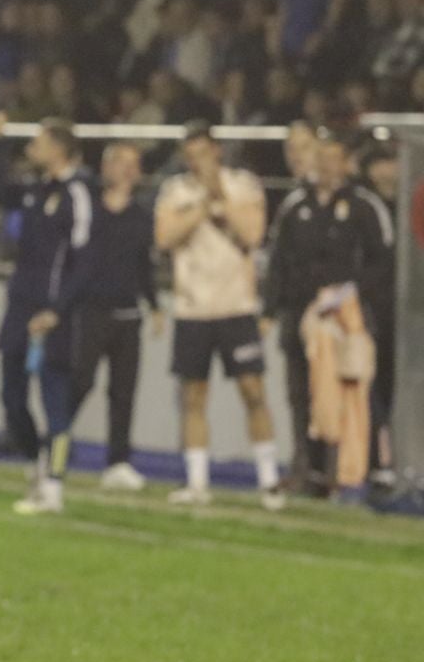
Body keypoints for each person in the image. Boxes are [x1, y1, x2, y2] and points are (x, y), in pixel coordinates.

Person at [154, 123, 284, 509]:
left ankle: (269, 481)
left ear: (217, 151)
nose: (197, 160)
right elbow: (165, 238)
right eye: (190, 154)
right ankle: (197, 482)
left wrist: (220, 200)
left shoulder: (244, 185)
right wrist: (200, 208)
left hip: (236, 307)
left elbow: (252, 234)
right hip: (192, 309)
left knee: (253, 391)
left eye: (203, 152)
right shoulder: (175, 191)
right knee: (193, 396)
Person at [262, 130, 394, 495]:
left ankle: (370, 469)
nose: (326, 166)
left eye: (333, 158)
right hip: (302, 315)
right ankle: (311, 470)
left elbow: (383, 261)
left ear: (347, 163)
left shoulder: (364, 205)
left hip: (350, 318)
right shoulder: (296, 204)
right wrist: (271, 308)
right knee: (302, 392)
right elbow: (278, 260)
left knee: (358, 391)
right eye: (321, 158)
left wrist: (350, 294)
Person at [0, 114, 94, 517]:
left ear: (58, 149)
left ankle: (54, 487)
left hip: (52, 315)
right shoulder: (33, 190)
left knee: (55, 403)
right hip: (19, 308)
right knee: (11, 400)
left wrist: (57, 310)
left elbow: (83, 263)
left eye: (39, 141)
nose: (32, 148)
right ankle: (35, 466)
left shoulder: (78, 194)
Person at [65, 142, 160, 492]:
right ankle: (54, 444)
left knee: (124, 392)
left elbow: (144, 265)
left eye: (134, 164)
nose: (130, 170)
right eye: (123, 163)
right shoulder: (88, 209)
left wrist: (155, 305)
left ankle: (118, 461)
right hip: (91, 310)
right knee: (80, 382)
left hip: (128, 313)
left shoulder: (140, 215)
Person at [357, 143, 400, 486]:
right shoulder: (362, 206)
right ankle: (378, 461)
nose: (386, 170)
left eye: (391, 162)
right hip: (376, 314)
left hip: (407, 315)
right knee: (376, 390)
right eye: (379, 163)